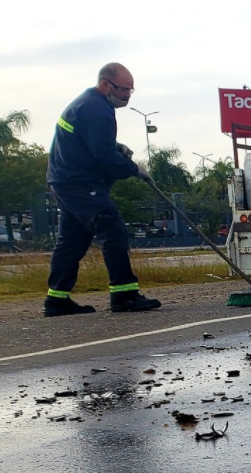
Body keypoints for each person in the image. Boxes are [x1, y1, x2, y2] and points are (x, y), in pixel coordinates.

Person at [43, 62, 162, 317]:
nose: (127, 95)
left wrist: (116, 147)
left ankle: (56, 299)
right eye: (123, 89)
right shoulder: (97, 109)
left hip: (65, 180)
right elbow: (104, 157)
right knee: (112, 228)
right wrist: (131, 168)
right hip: (79, 183)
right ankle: (124, 294)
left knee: (73, 241)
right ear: (105, 84)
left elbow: (91, 143)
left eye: (131, 90)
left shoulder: (88, 104)